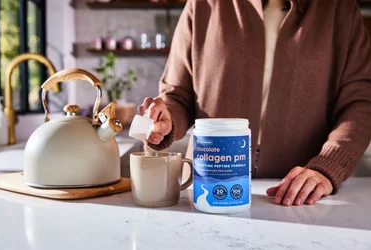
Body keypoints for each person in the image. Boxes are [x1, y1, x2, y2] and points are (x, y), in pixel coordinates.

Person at [137, 0, 371, 206]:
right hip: (209, 188)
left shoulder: (340, 9)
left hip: (298, 197)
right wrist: (166, 117)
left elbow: (360, 102)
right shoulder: (203, 5)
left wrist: (328, 166)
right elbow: (178, 96)